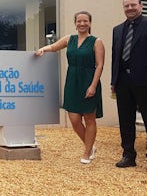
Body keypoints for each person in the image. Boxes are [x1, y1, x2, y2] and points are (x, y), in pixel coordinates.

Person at [36, 11, 104, 164]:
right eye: (79, 21)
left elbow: (100, 65)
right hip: (72, 81)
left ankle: (87, 152)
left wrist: (93, 86)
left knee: (89, 118)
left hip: (89, 80)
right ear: (75, 23)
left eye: (85, 21)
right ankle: (90, 145)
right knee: (74, 119)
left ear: (90, 23)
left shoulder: (96, 41)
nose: (82, 24)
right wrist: (43, 49)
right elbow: (54, 47)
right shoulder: (69, 39)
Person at [111, 0, 147, 173]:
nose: (130, 8)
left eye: (133, 5)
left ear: (141, 6)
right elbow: (115, 58)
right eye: (126, 6)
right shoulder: (117, 30)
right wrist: (114, 81)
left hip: (146, 82)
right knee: (126, 121)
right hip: (123, 82)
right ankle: (128, 155)